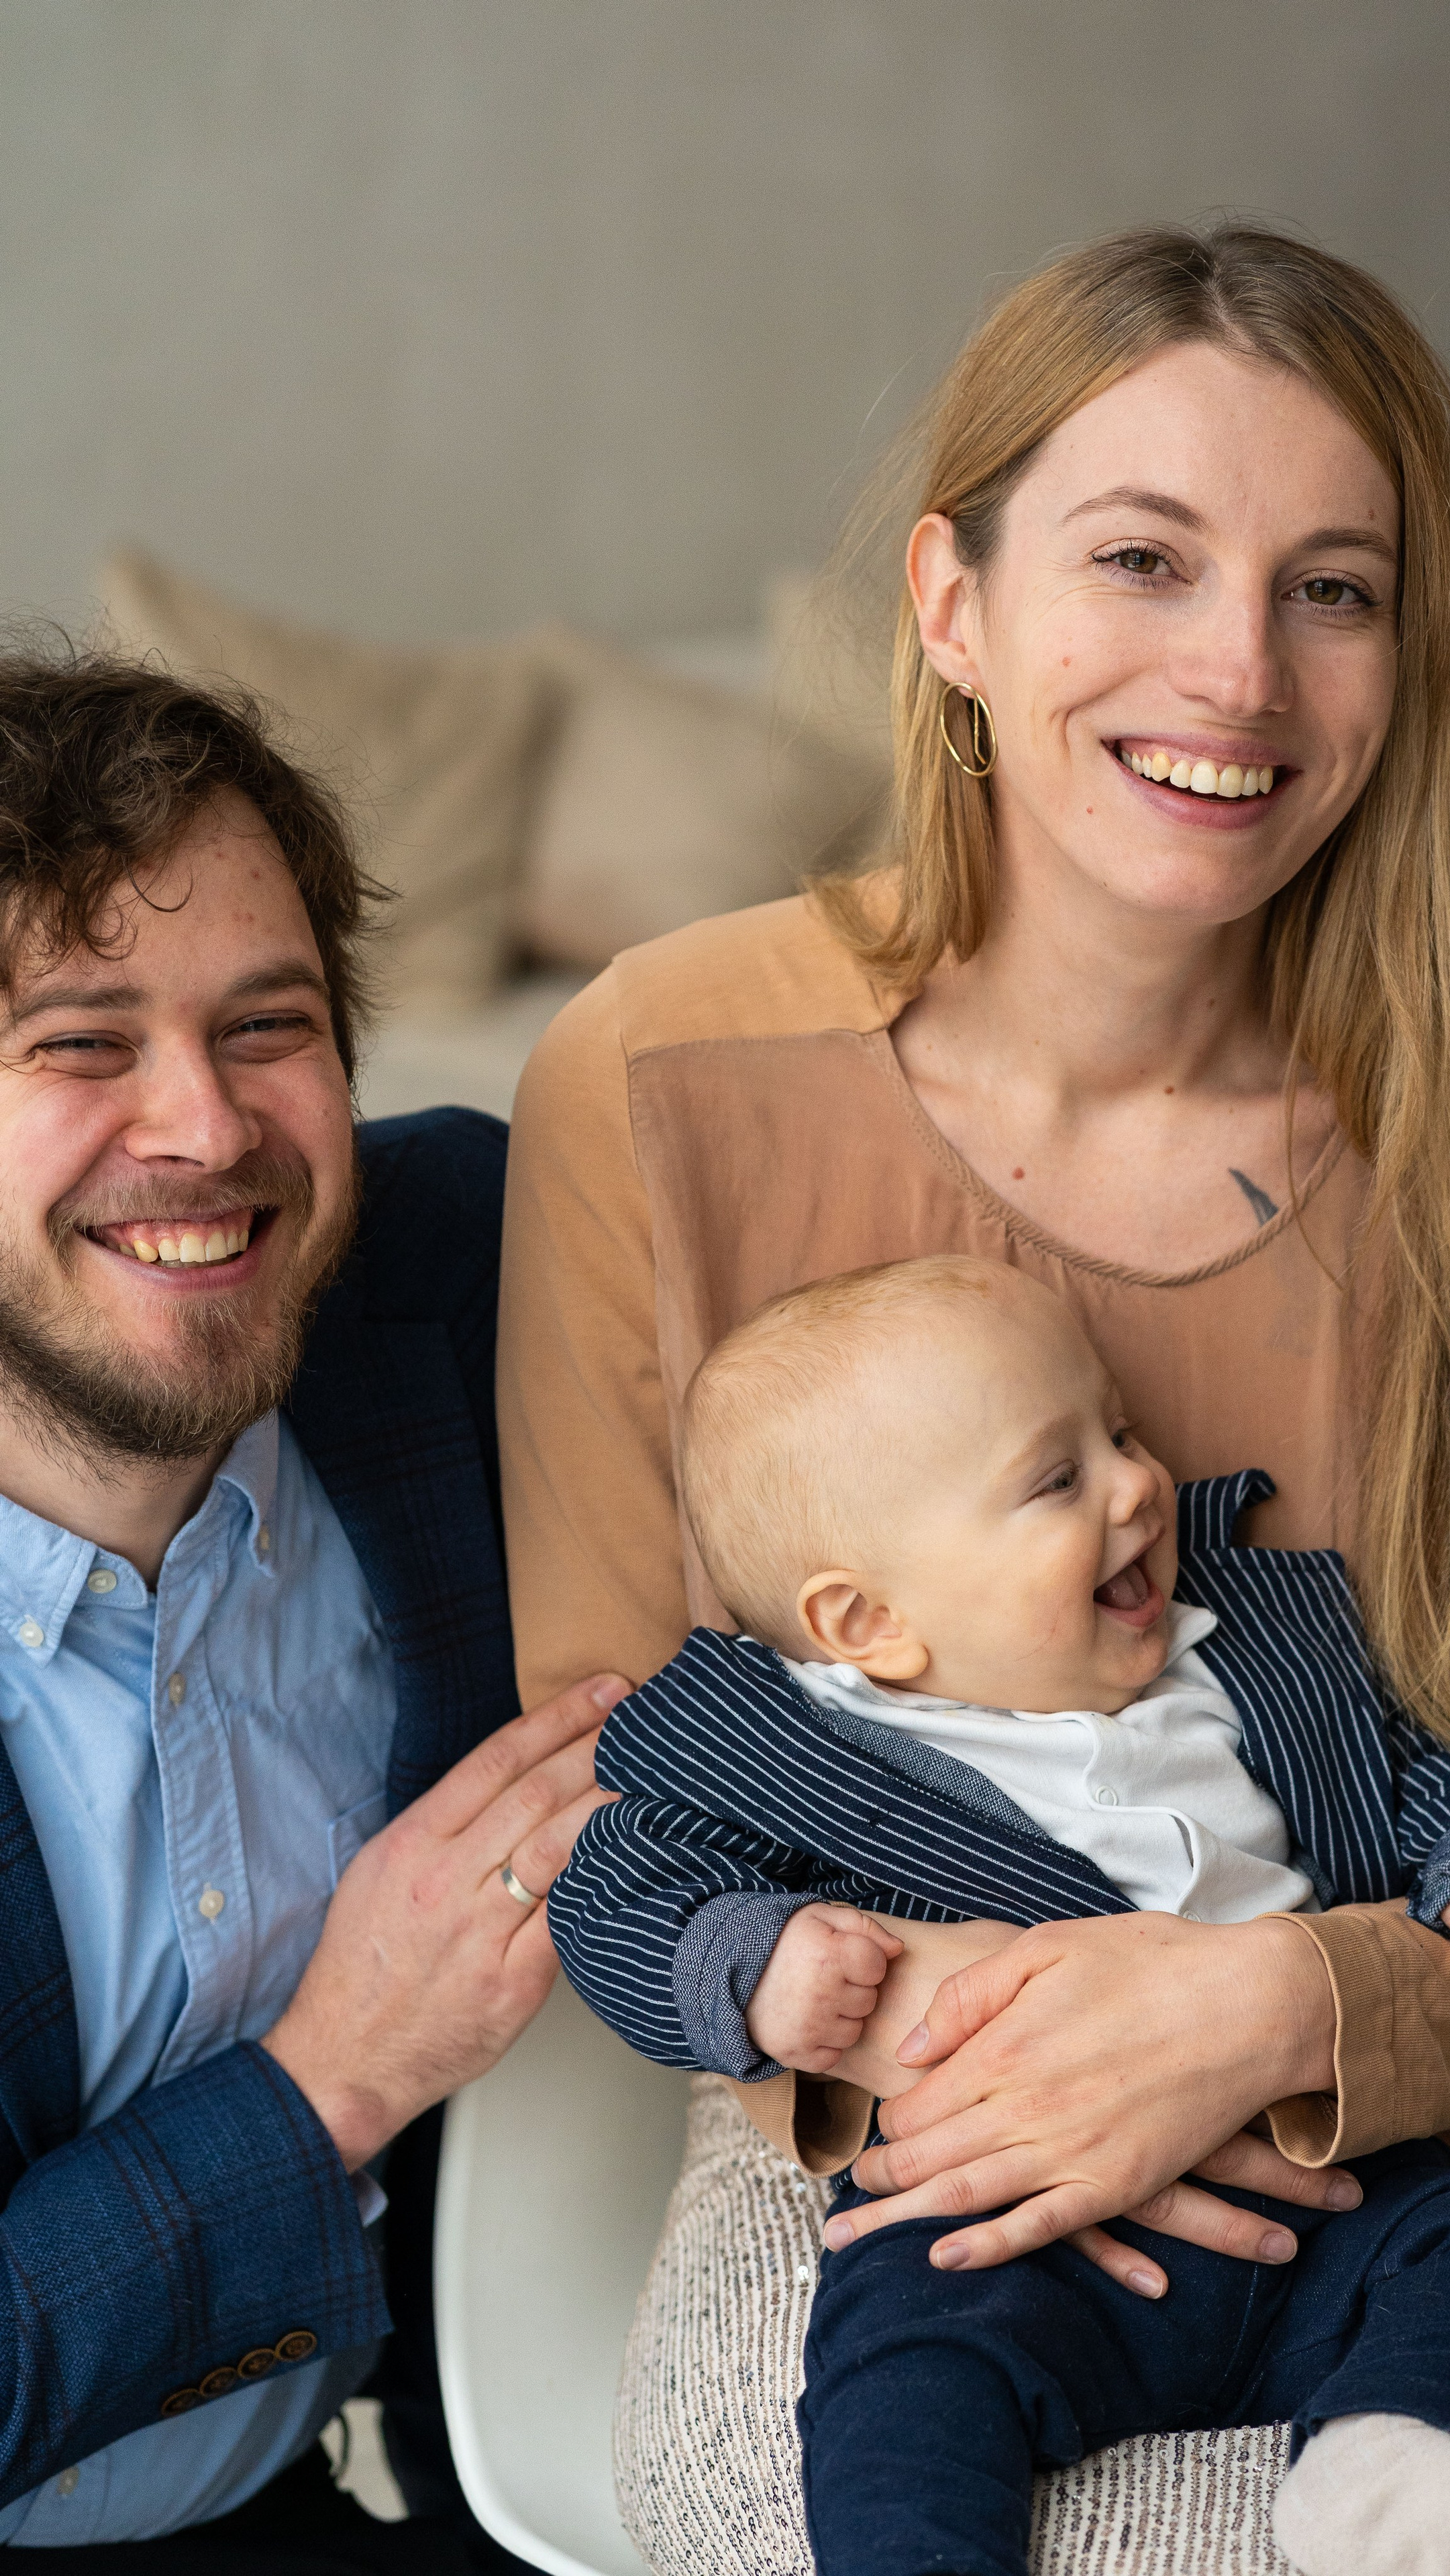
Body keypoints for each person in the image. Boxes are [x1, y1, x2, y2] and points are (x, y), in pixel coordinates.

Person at [497, 224, 1450, 2570]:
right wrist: (1023, 2031)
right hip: (872, 2117)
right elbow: (615, 1749)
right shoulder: (652, 1070)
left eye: (1333, 587)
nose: (1237, 669)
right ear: (951, 603)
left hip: (1423, 2108)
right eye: (1141, 557)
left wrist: (1269, 2013)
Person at [555, 1254, 1450, 2576]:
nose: (1136, 1482)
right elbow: (609, 1890)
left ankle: (1381, 2465)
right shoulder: (781, 1745)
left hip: (1318, 2186)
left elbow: (1429, 1749)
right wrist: (754, 1965)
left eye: (1119, 1430)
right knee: (896, 2368)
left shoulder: (1257, 1640)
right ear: (867, 1620)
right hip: (1014, 2225)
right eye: (1057, 1479)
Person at [0, 652, 619, 2573]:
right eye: (81, 1044)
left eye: (267, 1027)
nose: (202, 1127)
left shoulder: (465, 1270)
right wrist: (341, 2070)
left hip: (370, 2475)